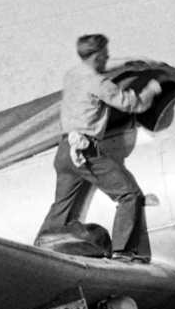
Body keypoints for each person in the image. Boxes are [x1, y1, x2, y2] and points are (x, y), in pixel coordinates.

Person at [35, 33, 161, 261]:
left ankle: (39, 252)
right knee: (128, 194)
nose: (109, 56)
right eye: (105, 52)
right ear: (97, 55)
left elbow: (99, 67)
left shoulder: (72, 75)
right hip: (87, 151)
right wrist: (152, 89)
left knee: (61, 207)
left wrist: (130, 60)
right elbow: (131, 104)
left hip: (64, 152)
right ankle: (123, 251)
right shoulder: (98, 83)